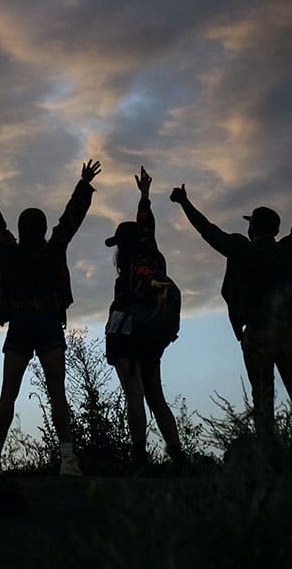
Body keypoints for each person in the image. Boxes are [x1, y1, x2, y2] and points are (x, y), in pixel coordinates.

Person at [0, 157, 101, 477]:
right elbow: (70, 221)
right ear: (43, 229)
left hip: (20, 323)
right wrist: (83, 185)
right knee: (57, 392)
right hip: (46, 324)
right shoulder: (54, 248)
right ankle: (68, 460)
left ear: (21, 229)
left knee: (8, 393)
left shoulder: (11, 250)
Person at [171, 184, 292, 441]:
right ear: (275, 230)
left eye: (250, 224)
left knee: (263, 400)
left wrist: (185, 203)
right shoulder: (286, 250)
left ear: (253, 228)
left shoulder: (242, 250)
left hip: (258, 335)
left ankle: (268, 456)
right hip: (287, 333)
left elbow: (208, 231)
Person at [103, 166, 185, 469]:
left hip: (126, 331)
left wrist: (152, 284)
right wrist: (145, 197)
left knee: (134, 393)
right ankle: (178, 455)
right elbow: (147, 227)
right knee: (156, 396)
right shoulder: (151, 253)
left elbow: (145, 279)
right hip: (150, 334)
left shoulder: (135, 266)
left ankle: (139, 457)